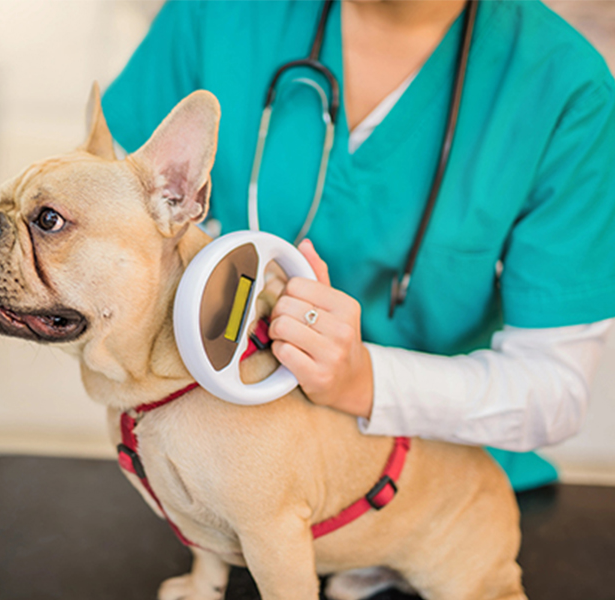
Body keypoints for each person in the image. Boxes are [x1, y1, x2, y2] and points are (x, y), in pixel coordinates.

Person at [102, 0, 615, 491]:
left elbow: (553, 392)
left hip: (438, 493)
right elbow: (106, 225)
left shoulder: (566, 88)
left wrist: (362, 380)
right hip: (220, 465)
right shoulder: (219, 13)